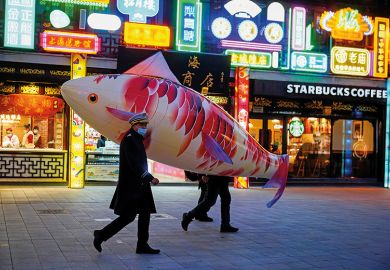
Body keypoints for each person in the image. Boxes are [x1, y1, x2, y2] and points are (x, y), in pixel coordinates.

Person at [93, 112, 161, 254]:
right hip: (132, 187)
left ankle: (142, 244)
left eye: (145, 125)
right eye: (142, 125)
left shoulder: (136, 139)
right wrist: (150, 178)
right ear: (134, 125)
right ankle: (101, 235)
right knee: (128, 217)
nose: (144, 127)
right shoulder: (130, 140)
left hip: (138, 187)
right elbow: (135, 165)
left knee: (144, 213)